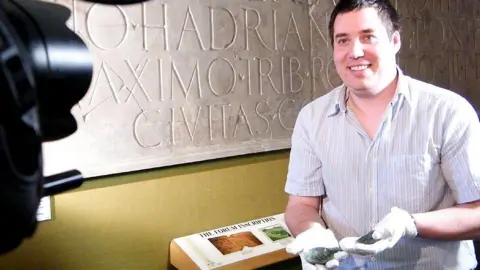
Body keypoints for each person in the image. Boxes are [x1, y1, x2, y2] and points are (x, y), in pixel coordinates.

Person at [283, 0, 480, 269]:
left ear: (395, 41)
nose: (354, 51)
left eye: (368, 37)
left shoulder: (448, 112)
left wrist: (412, 224)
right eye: (343, 40)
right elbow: (301, 204)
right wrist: (312, 233)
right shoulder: (311, 118)